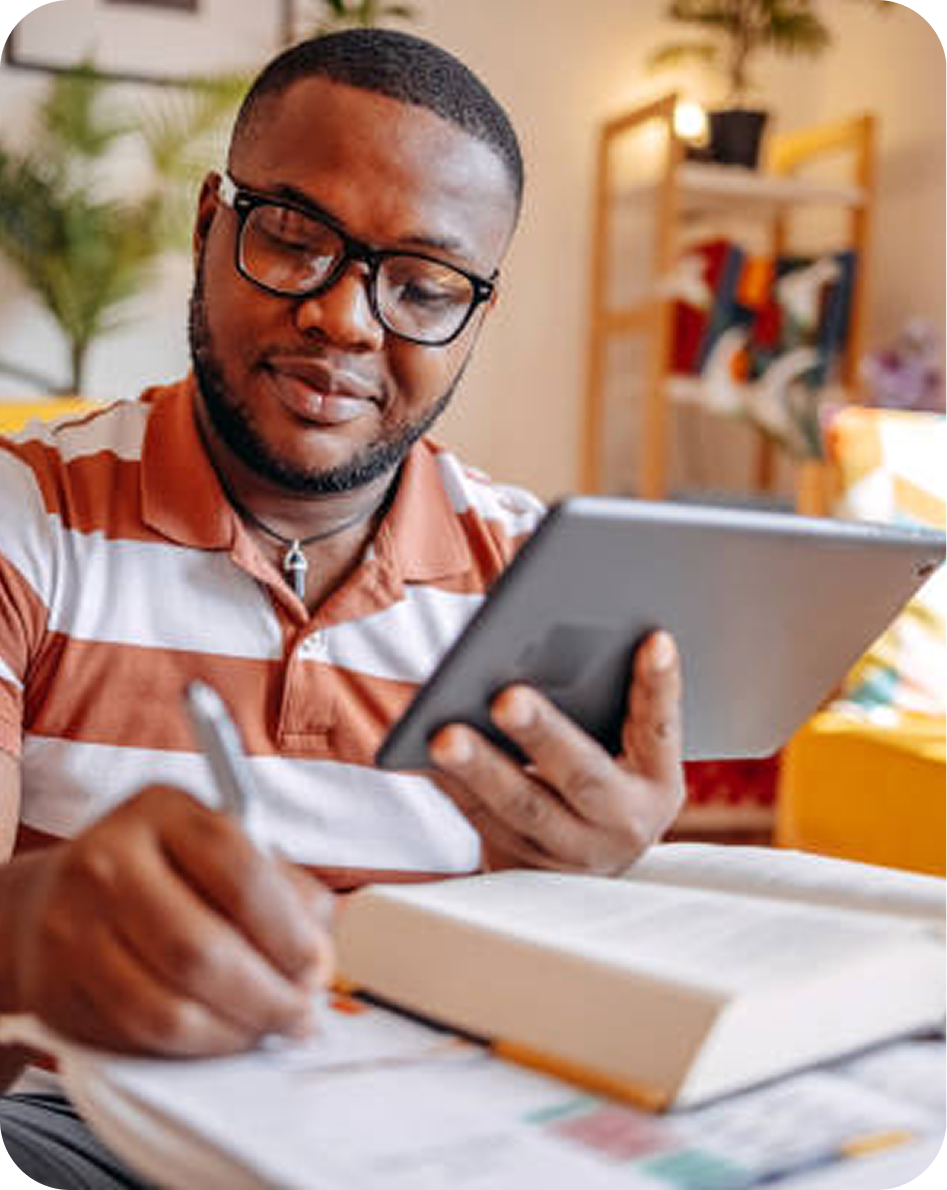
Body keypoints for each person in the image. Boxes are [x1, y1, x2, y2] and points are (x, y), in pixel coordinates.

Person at [0, 28, 684, 1187]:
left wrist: (599, 884)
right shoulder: (25, 518)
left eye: (422, 286)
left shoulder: (539, 577)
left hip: (431, 1142)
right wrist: (24, 932)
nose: (347, 319)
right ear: (210, 223)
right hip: (82, 1123)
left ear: (476, 313)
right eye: (293, 236)